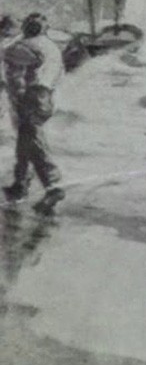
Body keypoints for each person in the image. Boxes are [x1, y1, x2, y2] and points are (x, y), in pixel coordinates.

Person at [2, 13, 65, 214]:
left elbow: (8, 53)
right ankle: (20, 184)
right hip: (45, 96)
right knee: (26, 139)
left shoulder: (26, 46)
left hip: (34, 96)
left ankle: (53, 187)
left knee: (33, 140)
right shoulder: (49, 45)